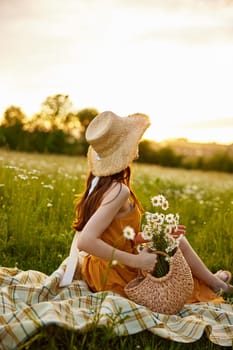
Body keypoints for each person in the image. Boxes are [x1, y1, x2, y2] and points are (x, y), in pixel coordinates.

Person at [63, 110, 233, 302]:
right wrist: (137, 261)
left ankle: (215, 282)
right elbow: (85, 241)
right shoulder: (119, 190)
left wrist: (151, 235)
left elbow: (113, 235)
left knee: (174, 240)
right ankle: (217, 284)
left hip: (99, 267)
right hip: (113, 274)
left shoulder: (98, 183)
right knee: (176, 270)